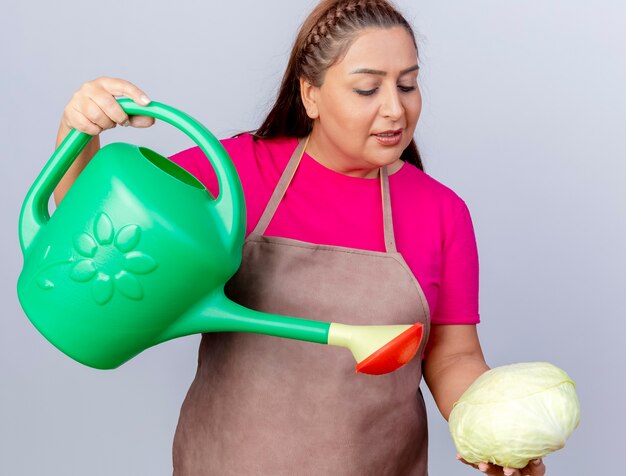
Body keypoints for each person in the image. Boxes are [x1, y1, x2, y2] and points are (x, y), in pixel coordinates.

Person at [53, 1, 547, 475]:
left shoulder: (442, 213)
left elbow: (453, 356)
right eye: (367, 89)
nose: (395, 110)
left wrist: (492, 431)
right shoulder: (238, 174)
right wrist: (80, 127)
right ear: (310, 94)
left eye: (408, 85)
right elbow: (93, 231)